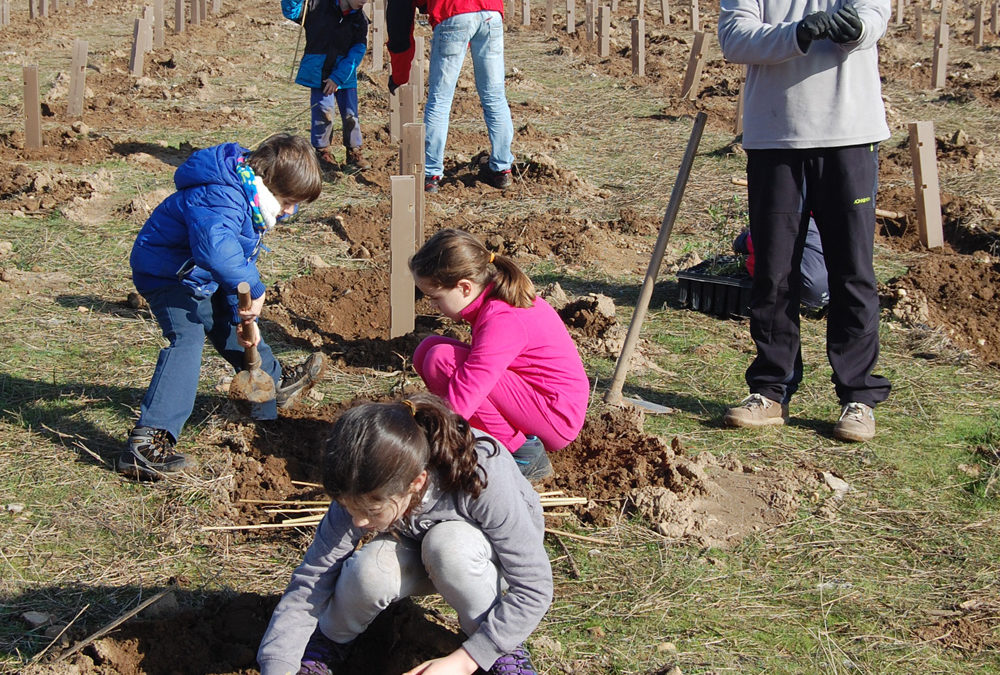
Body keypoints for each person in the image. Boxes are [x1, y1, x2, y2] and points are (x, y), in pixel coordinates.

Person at [256, 393, 552, 675]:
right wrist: (278, 661)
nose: (358, 521)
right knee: (370, 571)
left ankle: (501, 647)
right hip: (416, 547)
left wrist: (467, 660)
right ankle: (329, 644)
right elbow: (312, 579)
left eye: (371, 512)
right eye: (350, 509)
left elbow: (534, 586)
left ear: (416, 482)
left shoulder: (481, 472)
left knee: (448, 547)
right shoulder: (360, 482)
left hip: (480, 559)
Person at [718, 0, 891, 442]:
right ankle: (771, 389)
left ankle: (858, 396)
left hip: (849, 132)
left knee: (852, 268)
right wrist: (801, 33)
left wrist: (854, 29)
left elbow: (875, 19)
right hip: (775, 135)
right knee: (774, 271)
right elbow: (734, 39)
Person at [122, 134, 326, 479]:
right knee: (186, 337)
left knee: (233, 327)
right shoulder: (222, 194)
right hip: (168, 275)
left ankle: (274, 384)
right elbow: (216, 252)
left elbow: (232, 264)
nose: (290, 211)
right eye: (288, 201)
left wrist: (243, 318)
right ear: (268, 183)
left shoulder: (247, 194)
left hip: (202, 275)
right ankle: (148, 442)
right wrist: (256, 288)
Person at [408, 228, 589, 482]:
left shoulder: (502, 318)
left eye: (436, 298)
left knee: (441, 359)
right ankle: (477, 438)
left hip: (556, 415)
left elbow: (470, 389)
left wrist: (429, 440)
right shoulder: (490, 301)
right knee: (426, 350)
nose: (432, 306)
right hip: (537, 399)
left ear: (464, 287)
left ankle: (522, 453)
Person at [385, 0, 515, 193]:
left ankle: (431, 175)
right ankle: (502, 169)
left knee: (440, 100)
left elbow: (399, 25)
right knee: (494, 96)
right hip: (491, 12)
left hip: (452, 12)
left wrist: (399, 75)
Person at [283, 0, 371, 171]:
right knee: (323, 111)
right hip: (319, 73)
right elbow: (292, 12)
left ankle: (354, 152)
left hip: (344, 75)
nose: (364, 1)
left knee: (350, 114)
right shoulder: (316, 6)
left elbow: (357, 52)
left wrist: (338, 77)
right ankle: (322, 152)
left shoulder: (359, 20)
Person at [732, 217, 829, 310]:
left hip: (810, 290)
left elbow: (747, 243)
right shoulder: (815, 220)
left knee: (760, 258)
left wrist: (742, 241)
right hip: (833, 290)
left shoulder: (776, 223)